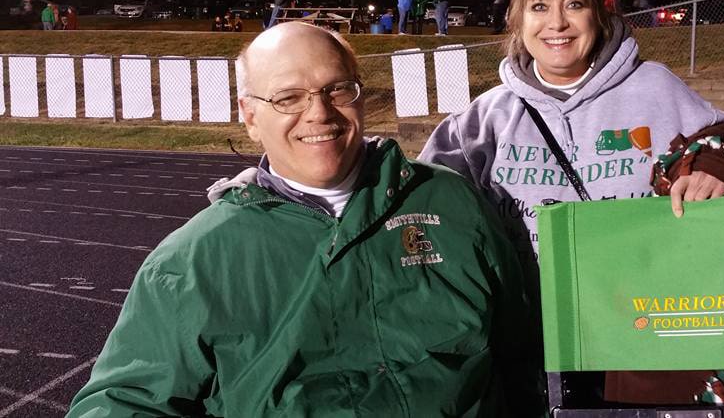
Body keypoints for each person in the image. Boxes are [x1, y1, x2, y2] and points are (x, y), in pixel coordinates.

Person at [68, 22, 544, 417]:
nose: (319, 113)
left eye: (337, 89)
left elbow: (521, 355)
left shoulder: (451, 202)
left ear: (360, 96)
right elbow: (123, 403)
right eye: (288, 98)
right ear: (250, 117)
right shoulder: (193, 260)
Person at [419, 0, 724, 406]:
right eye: (539, 6)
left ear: (600, 12)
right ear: (517, 18)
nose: (557, 23)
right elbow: (424, 204)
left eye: (574, 4)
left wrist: (711, 170)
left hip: (637, 337)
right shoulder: (484, 119)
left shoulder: (655, 89)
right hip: (529, 345)